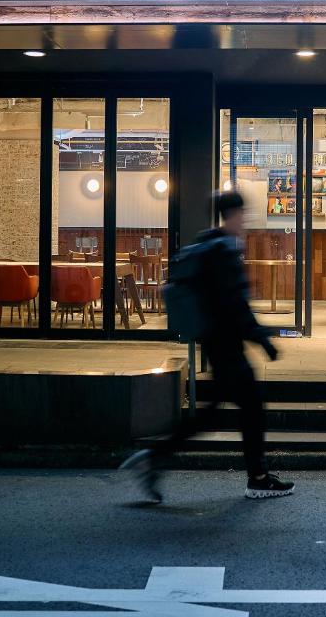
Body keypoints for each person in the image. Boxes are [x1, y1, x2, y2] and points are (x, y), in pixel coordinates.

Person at [121, 191, 294, 502]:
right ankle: (257, 478)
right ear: (234, 214)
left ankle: (156, 457)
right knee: (250, 407)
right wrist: (262, 338)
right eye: (243, 213)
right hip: (227, 345)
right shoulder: (224, 250)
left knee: (214, 413)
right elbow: (234, 303)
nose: (246, 220)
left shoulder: (209, 243)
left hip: (216, 343)